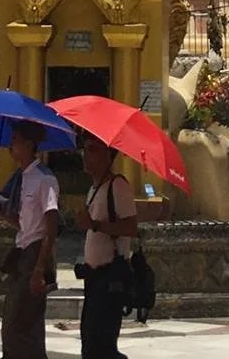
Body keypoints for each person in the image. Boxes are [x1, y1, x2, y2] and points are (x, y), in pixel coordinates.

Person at [0, 121, 58, 359]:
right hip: (22, 252)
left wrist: (39, 269)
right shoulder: (21, 178)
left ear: (29, 144)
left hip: (35, 253)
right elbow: (23, 223)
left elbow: (51, 226)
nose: (11, 146)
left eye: (16, 140)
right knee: (11, 322)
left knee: (25, 324)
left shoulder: (44, 179)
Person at [79, 131, 137, 359]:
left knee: (102, 344)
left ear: (107, 155)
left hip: (110, 276)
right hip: (93, 277)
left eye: (92, 149)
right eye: (85, 149)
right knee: (90, 340)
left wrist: (95, 225)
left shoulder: (117, 186)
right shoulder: (94, 189)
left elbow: (130, 227)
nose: (86, 155)